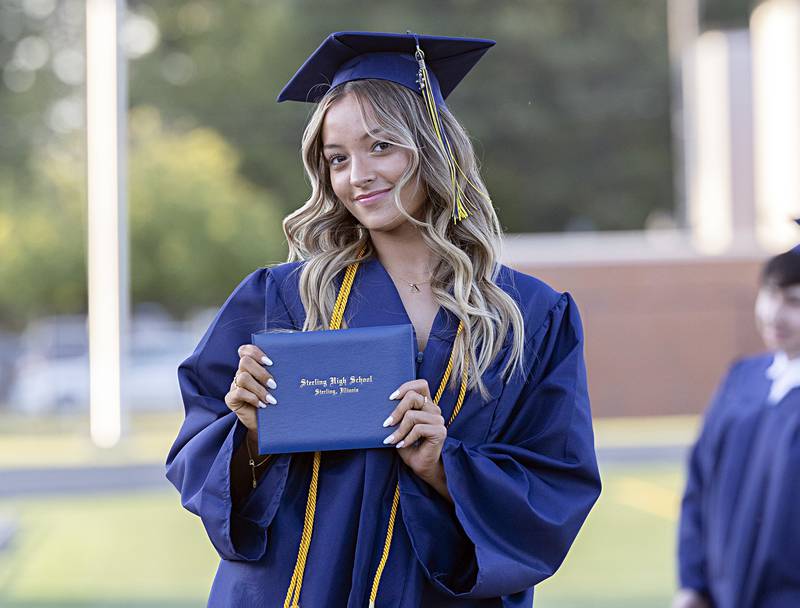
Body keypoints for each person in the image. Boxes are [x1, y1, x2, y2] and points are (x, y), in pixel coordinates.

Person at [166, 31, 601, 608]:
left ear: (434, 149)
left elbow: (556, 482)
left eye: (381, 147)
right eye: (338, 159)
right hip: (294, 589)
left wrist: (444, 468)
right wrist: (248, 432)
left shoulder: (530, 316)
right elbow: (198, 459)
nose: (358, 176)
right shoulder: (282, 299)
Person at [674, 240, 800, 608]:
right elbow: (699, 485)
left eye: (794, 302)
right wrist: (692, 585)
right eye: (769, 295)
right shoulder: (742, 380)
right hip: (722, 596)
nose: (775, 314)